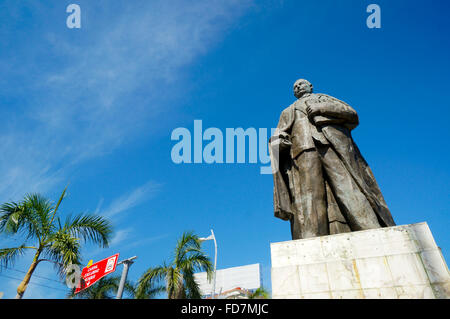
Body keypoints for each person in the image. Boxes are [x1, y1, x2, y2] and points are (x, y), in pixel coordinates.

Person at [270, 79, 395, 239]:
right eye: (295, 86)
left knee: (346, 186)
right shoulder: (287, 111)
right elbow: (279, 134)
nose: (298, 87)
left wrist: (320, 108)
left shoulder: (324, 98)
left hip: (331, 144)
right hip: (303, 150)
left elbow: (351, 113)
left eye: (301, 84)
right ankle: (312, 238)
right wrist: (278, 141)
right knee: (310, 196)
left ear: (311, 86)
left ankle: (369, 229)